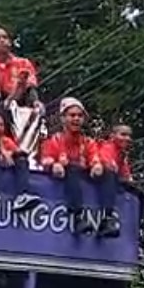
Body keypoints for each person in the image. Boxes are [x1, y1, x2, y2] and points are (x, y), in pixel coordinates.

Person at [40, 97, 121, 237]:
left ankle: (108, 218)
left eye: (79, 116)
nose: (76, 119)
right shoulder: (54, 141)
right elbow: (45, 160)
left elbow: (94, 158)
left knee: (109, 173)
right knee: (71, 168)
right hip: (66, 176)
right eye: (72, 115)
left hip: (83, 175)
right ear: (63, 118)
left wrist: (97, 166)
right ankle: (78, 217)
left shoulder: (88, 142)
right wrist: (54, 165)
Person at [0, 26, 42, 111]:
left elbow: (31, 87)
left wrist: (35, 102)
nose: (2, 40)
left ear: (10, 42)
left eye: (5, 37)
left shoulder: (23, 63)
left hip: (21, 107)